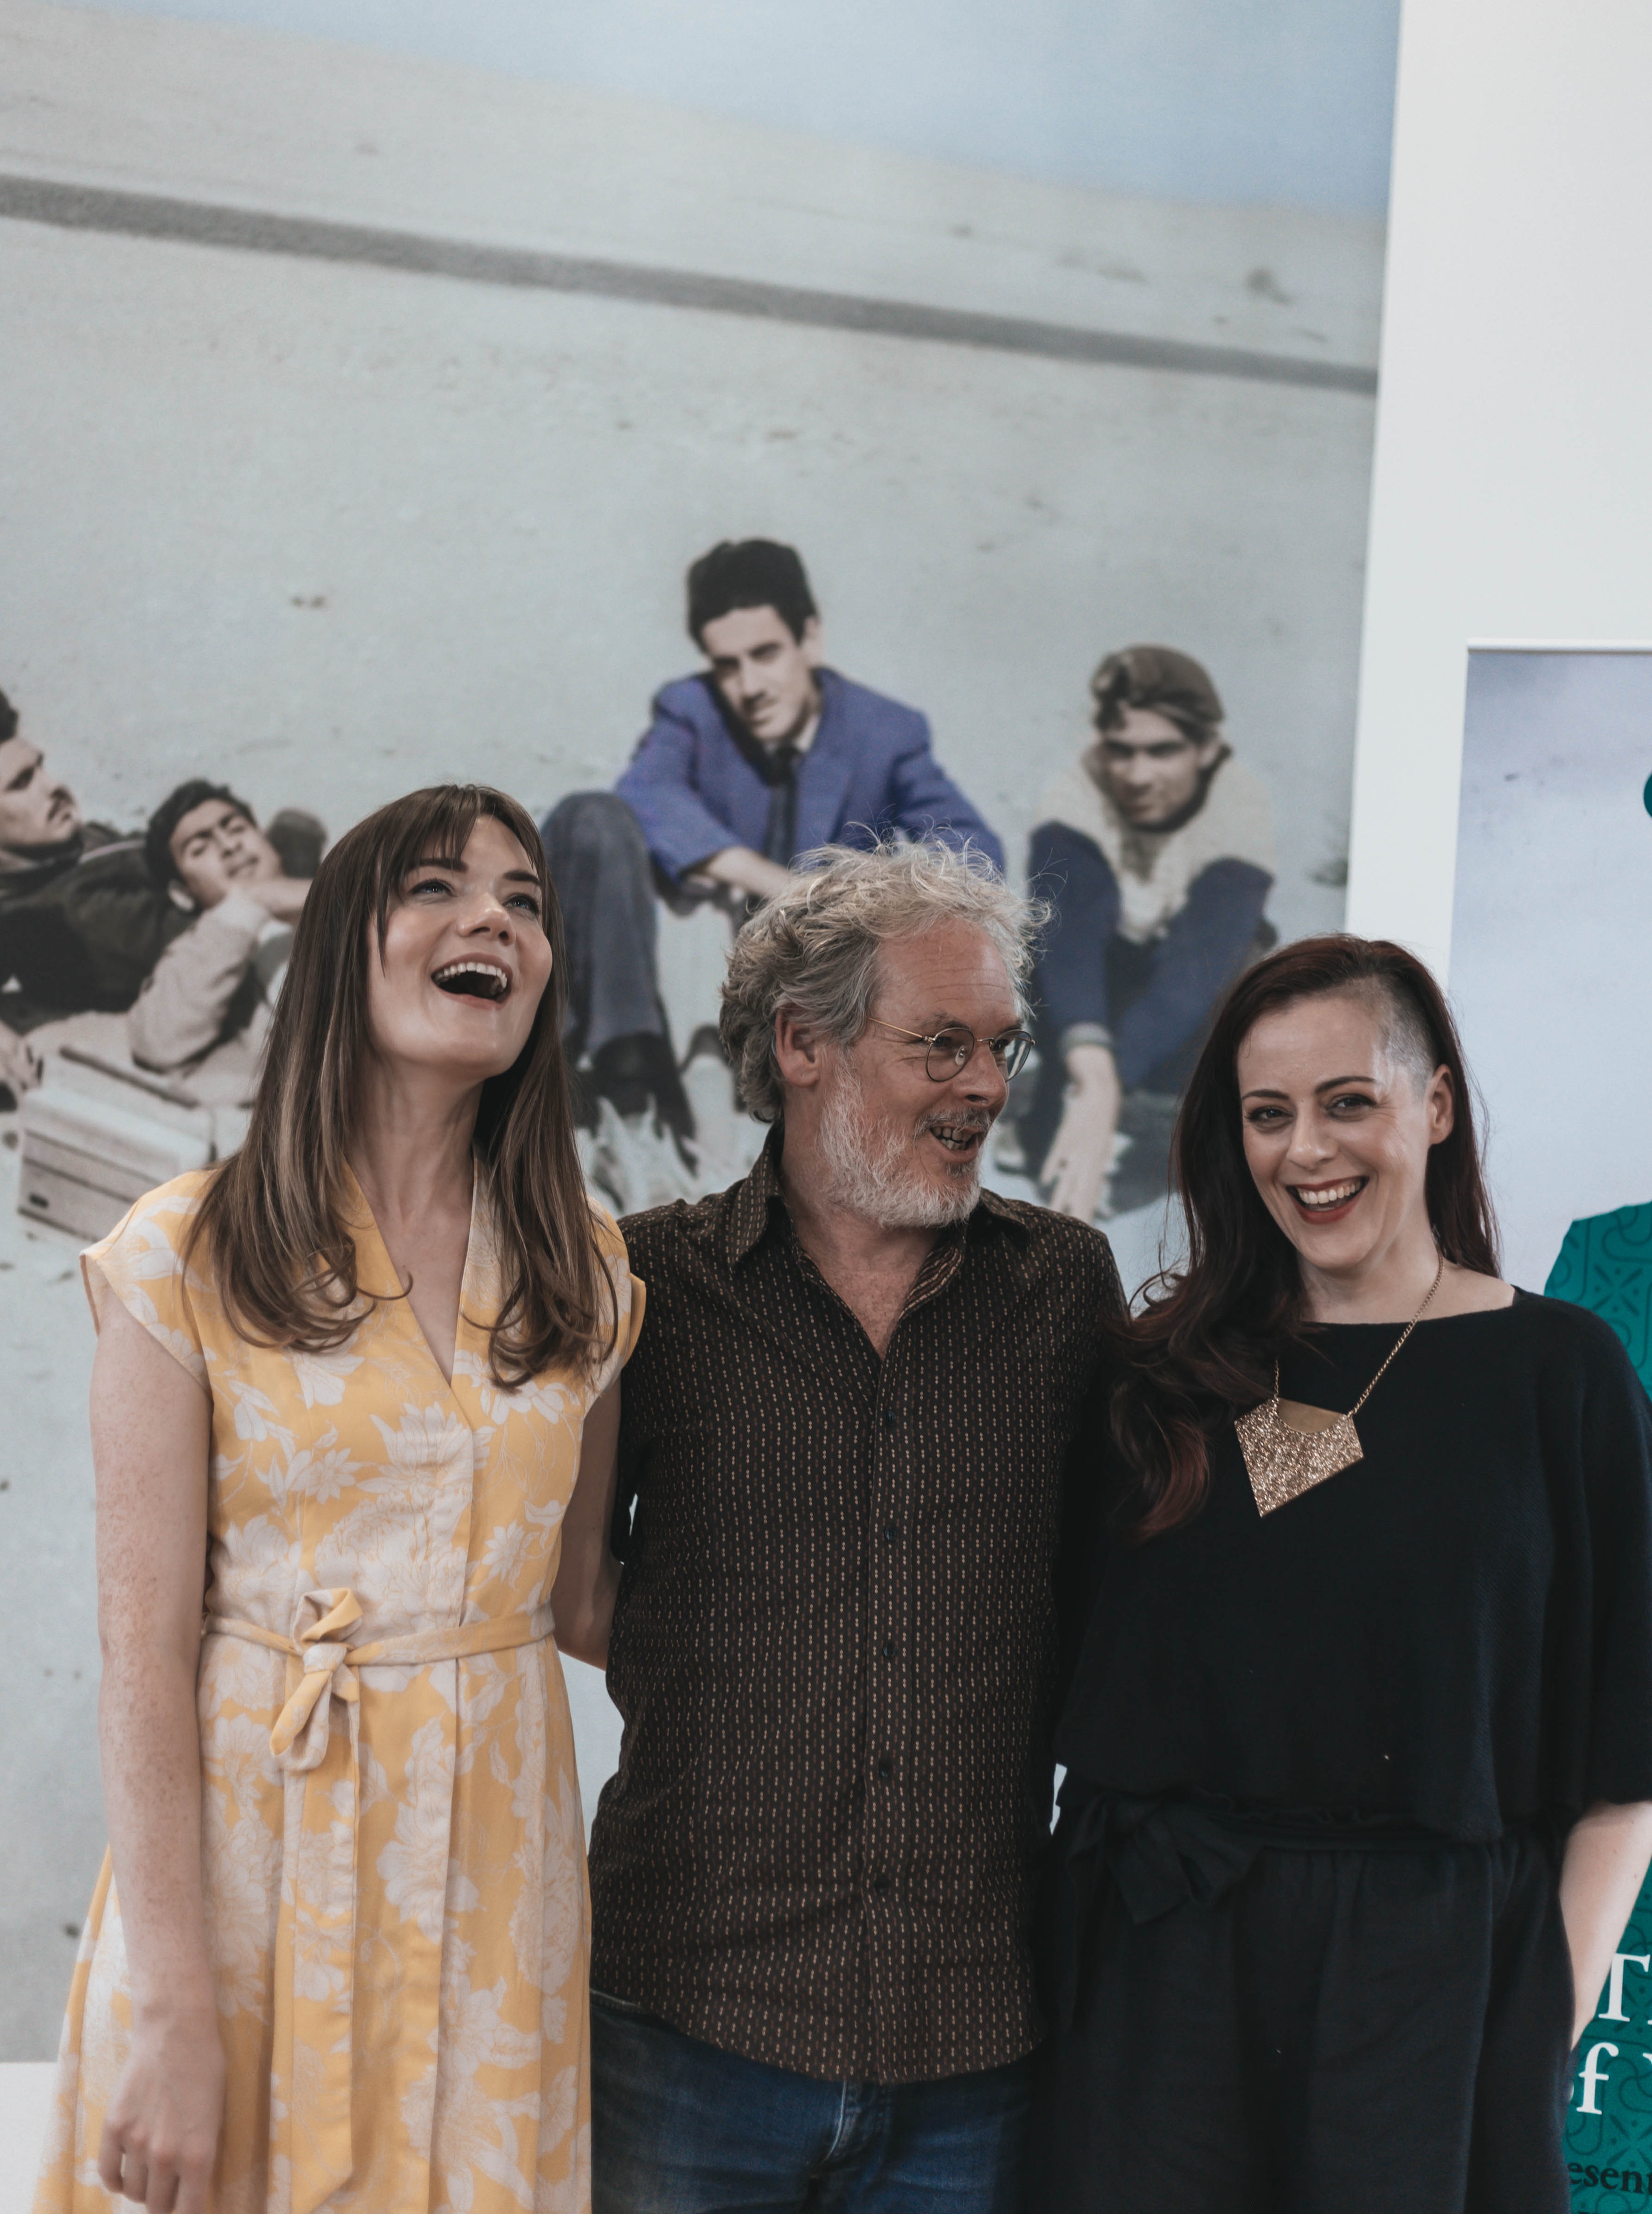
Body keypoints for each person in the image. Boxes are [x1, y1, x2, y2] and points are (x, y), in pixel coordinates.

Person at [34, 785, 643, 2214]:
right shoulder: (183, 1252)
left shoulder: (590, 1273)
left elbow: (585, 1605)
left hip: (499, 1911)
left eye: (523, 900)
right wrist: (176, 2010)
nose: (490, 915)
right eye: (434, 887)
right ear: (337, 952)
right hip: (246, 1907)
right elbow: (143, 1654)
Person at [1034, 934, 1652, 2213]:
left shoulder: (1562, 1371)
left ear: (1432, 1106)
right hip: (1162, 1976)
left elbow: (1625, 1767)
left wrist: (1541, 2017)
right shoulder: (1156, 1374)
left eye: (1347, 1102)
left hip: (1429, 1987)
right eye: (1268, 1114)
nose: (1305, 1149)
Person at [585, 840, 1122, 2213]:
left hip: (972, 2046)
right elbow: (575, 1594)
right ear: (802, 1042)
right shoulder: (646, 1284)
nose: (989, 1089)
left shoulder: (1061, 1288)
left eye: (1000, 1047)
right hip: (685, 2021)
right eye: (940, 1044)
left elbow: (1119, 1593)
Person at [540, 541, 1003, 1162]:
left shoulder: (882, 731)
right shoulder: (691, 709)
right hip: (684, 966)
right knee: (590, 818)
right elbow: (646, 794)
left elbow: (975, 848)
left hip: (804, 983)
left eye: (766, 654)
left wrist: (865, 894)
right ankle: (629, 1087)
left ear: (809, 639)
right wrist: (778, 885)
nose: (749, 686)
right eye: (727, 665)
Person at [1025, 644, 1273, 1223]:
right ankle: (1059, 1093)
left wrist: (1107, 1090)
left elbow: (1193, 972)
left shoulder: (1241, 802)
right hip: (1099, 973)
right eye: (1122, 750)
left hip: (1178, 980)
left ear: (1207, 747)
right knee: (1030, 944)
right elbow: (1070, 942)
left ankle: (1167, 1110)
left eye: (1162, 751)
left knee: (1250, 970)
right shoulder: (1073, 791)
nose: (1137, 774)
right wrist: (1089, 1067)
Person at [0, 687, 184, 1100]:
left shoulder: (59, 846)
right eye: (22, 783)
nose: (53, 786)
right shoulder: (66, 915)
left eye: (41, 767)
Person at [128, 779, 323, 1105]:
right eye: (200, 848)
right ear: (182, 894)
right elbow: (158, 1040)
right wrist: (250, 903)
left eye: (236, 829)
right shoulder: (202, 954)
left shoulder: (347, 889)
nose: (230, 847)